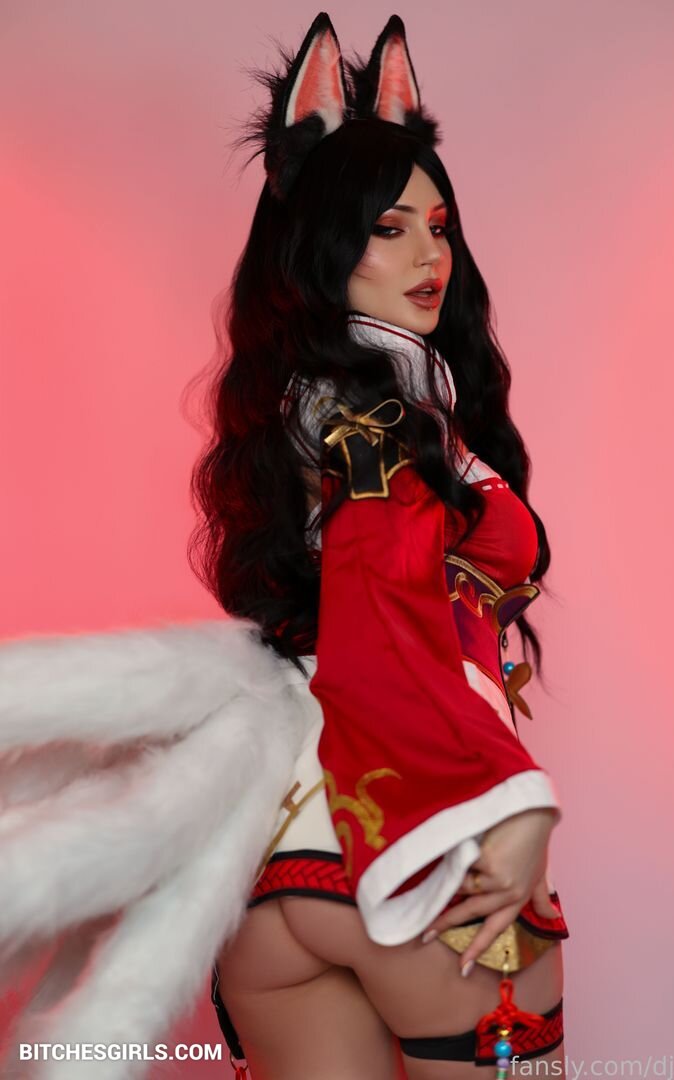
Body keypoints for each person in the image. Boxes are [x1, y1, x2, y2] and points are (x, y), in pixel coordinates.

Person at [0, 12, 569, 1080]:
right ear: (321, 245)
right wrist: (515, 799)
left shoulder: (307, 407)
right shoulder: (381, 423)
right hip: (418, 838)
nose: (431, 255)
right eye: (388, 229)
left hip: (272, 874)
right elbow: (381, 628)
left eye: (438, 225)